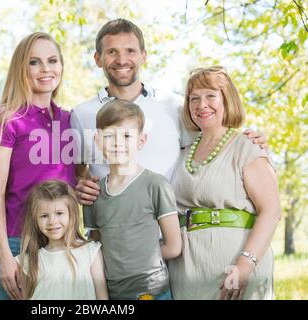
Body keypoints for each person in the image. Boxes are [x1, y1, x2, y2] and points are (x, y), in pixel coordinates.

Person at [71, 18, 267, 206]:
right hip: (111, 231)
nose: (122, 60)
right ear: (98, 58)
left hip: (171, 233)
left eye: (130, 51)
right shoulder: (82, 114)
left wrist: (250, 142)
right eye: (112, 52)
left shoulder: (173, 106)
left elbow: (213, 146)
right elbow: (78, 173)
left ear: (143, 56)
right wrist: (81, 186)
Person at [168, 66, 281, 300]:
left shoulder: (246, 146)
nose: (201, 104)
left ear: (227, 100)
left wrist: (244, 266)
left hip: (234, 267)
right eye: (194, 98)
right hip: (187, 271)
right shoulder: (182, 152)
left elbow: (271, 210)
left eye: (211, 95)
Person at [0, 32, 77, 300]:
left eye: (53, 60)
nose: (46, 69)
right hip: (18, 242)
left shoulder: (70, 119)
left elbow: (75, 178)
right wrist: (5, 255)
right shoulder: (9, 118)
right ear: (21, 68)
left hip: (63, 243)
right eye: (35, 62)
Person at [83, 99, 182, 300]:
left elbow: (173, 247)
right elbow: (96, 252)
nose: (118, 143)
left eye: (127, 135)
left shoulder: (156, 185)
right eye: (109, 136)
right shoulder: (94, 193)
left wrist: (135, 258)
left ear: (141, 140)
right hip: (112, 295)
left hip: (153, 291)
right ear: (97, 140)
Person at [16, 180, 108, 300]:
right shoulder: (29, 261)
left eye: (59, 213)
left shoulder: (90, 252)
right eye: (44, 216)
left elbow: (102, 297)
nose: (52, 221)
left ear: (72, 214)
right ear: (35, 219)